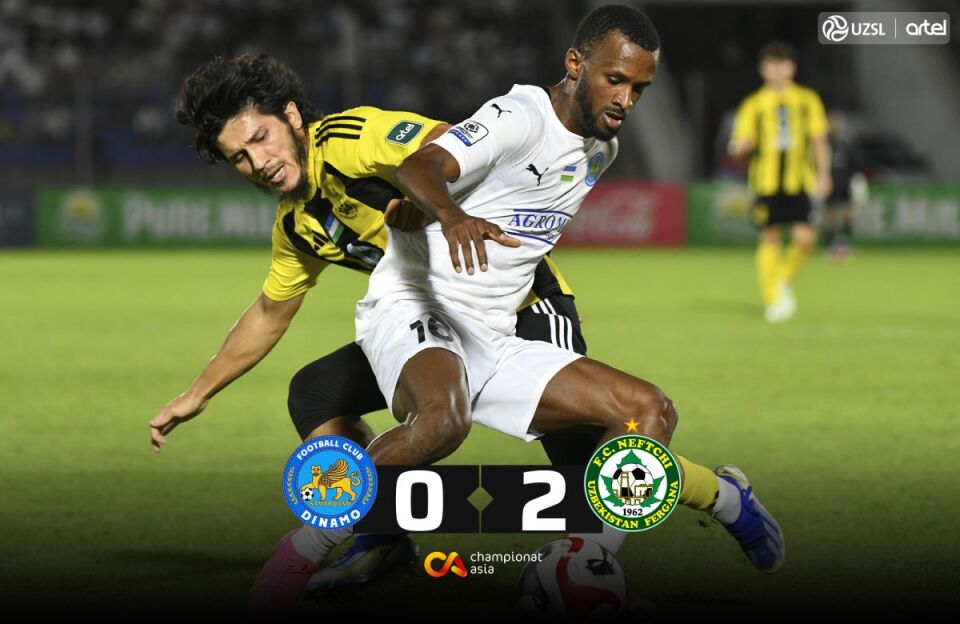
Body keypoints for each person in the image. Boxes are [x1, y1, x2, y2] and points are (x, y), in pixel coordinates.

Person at [271, 4, 783, 612]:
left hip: (494, 328)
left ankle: (590, 557)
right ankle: (299, 553)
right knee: (442, 421)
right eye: (615, 80)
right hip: (415, 303)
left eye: (639, 89)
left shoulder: (602, 148)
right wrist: (448, 213)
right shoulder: (518, 116)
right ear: (576, 63)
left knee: (648, 413)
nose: (625, 99)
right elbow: (420, 164)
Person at [152, 51, 606, 605]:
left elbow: (457, 143)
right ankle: (380, 538)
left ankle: (616, 565)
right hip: (432, 320)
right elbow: (269, 314)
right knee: (316, 393)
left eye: (261, 138)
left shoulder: (350, 139)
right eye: (240, 158)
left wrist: (431, 199)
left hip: (523, 303)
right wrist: (197, 394)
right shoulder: (298, 225)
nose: (258, 161)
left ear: (291, 116)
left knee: (577, 454)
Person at [729, 41, 832, 323]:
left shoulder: (807, 100)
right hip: (765, 182)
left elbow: (819, 140)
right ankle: (773, 300)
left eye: (782, 64)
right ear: (763, 69)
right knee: (769, 236)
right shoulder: (753, 104)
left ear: (792, 68)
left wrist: (824, 173)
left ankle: (781, 280)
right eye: (771, 65)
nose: (776, 70)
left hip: (800, 181)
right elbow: (739, 145)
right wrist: (740, 148)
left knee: (805, 239)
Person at [822, 110, 867, 262]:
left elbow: (856, 163)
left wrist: (857, 180)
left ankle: (845, 245)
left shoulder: (847, 141)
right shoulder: (823, 142)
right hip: (829, 182)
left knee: (848, 213)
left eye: (837, 122)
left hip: (845, 182)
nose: (835, 125)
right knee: (829, 214)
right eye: (832, 122)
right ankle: (829, 247)